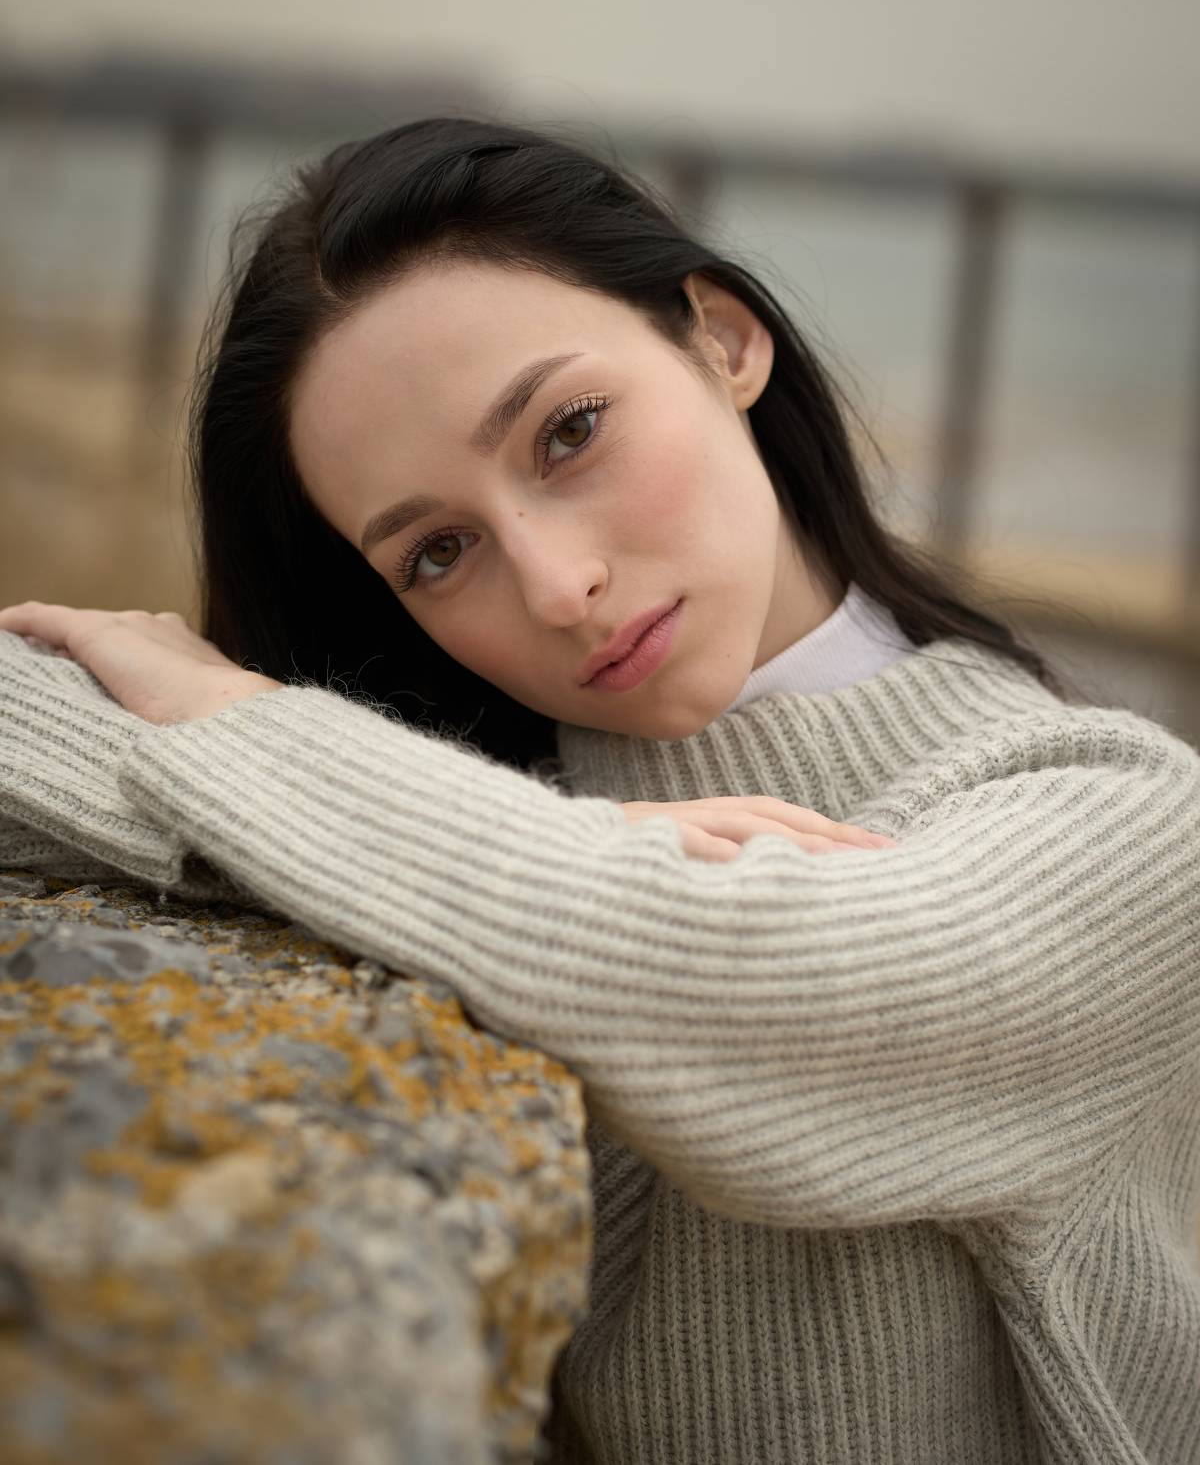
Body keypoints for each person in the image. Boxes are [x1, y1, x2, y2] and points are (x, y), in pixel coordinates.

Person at [1, 117, 1198, 1465]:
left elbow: (734, 984)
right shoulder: (484, 793)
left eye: (568, 432)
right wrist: (536, 828)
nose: (558, 586)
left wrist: (237, 729)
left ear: (723, 341)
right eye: (437, 552)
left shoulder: (1117, 814)